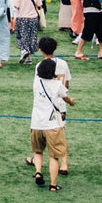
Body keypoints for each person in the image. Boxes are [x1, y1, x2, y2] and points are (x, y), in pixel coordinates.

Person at [29, 57, 70, 191]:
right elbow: (65, 97)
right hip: (52, 125)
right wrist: (72, 102)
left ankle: (38, 172)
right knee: (54, 156)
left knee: (38, 151)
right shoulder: (57, 85)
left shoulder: (36, 83)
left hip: (36, 124)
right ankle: (53, 185)